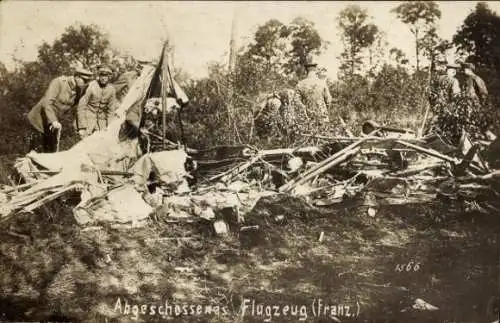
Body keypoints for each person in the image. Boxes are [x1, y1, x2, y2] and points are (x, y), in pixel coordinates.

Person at [27, 67, 93, 153]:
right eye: (84, 80)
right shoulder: (59, 82)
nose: (85, 83)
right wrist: (53, 121)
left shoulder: (79, 90)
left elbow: (78, 109)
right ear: (77, 76)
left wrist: (80, 128)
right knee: (36, 153)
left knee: (51, 153)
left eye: (87, 81)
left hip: (53, 123)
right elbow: (47, 102)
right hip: (39, 120)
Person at [76, 65, 119, 138]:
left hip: (101, 122)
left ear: (109, 77)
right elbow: (81, 106)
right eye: (101, 75)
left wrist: (110, 127)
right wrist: (82, 127)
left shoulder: (111, 90)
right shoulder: (91, 85)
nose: (103, 78)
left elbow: (111, 110)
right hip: (87, 119)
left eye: (106, 76)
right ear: (99, 75)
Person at [295, 62, 333, 134]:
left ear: (306, 71)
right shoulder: (322, 83)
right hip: (322, 116)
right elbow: (329, 100)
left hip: (307, 117)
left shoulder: (300, 84)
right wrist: (324, 109)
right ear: (315, 70)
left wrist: (305, 110)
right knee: (324, 138)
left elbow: (296, 102)